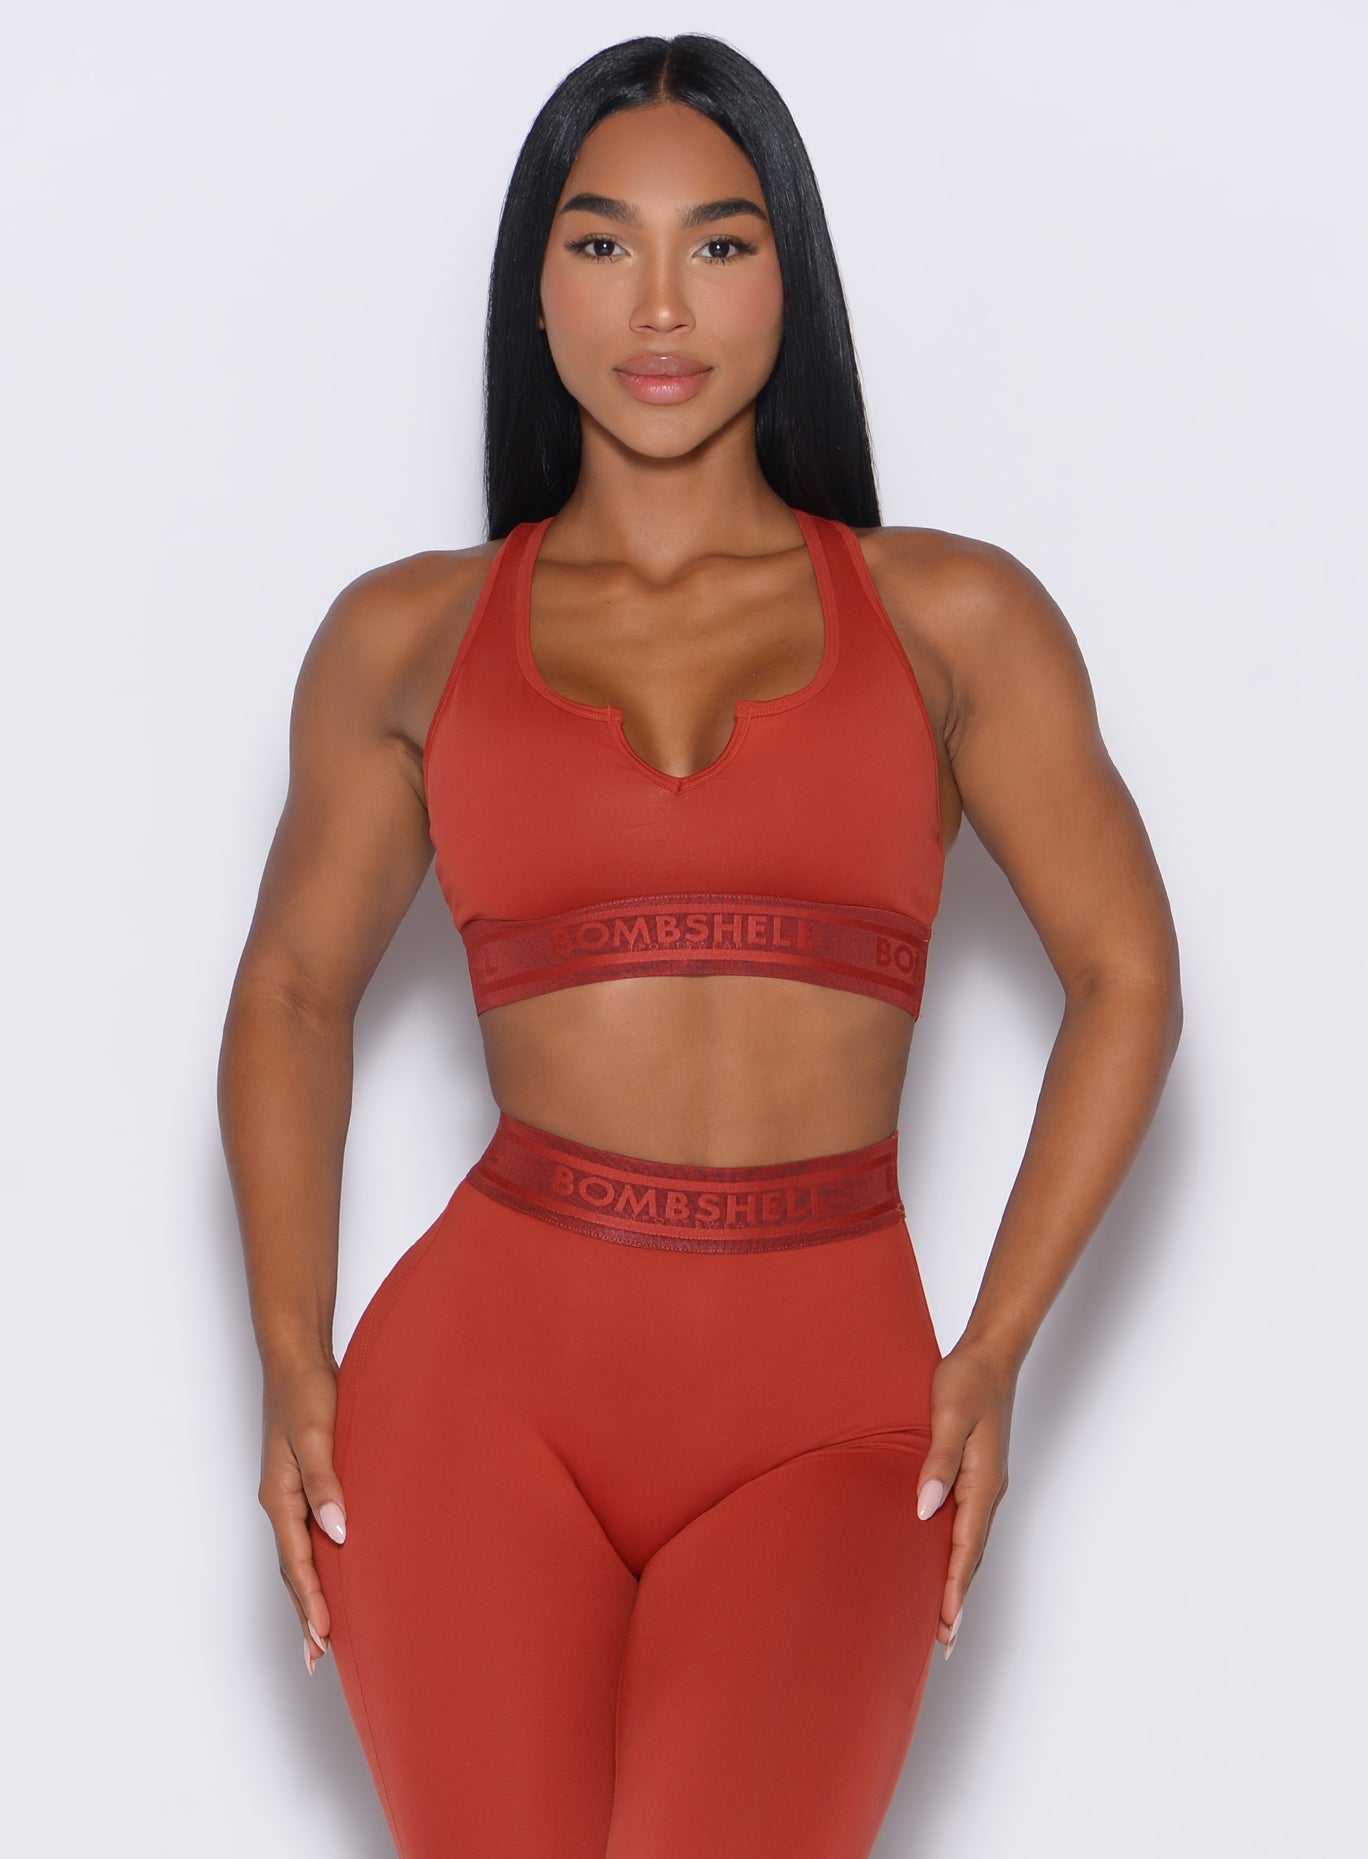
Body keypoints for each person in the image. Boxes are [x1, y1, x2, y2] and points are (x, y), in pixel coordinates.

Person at [217, 32, 1182, 1859]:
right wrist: (287, 1353)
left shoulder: (954, 617)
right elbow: (289, 992)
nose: (659, 304)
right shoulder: (406, 638)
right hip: (478, 1404)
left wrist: (993, 1353)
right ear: (538, 287)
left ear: (788, 279)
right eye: (601, 243)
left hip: (839, 1413)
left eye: (719, 244)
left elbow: (1128, 976)